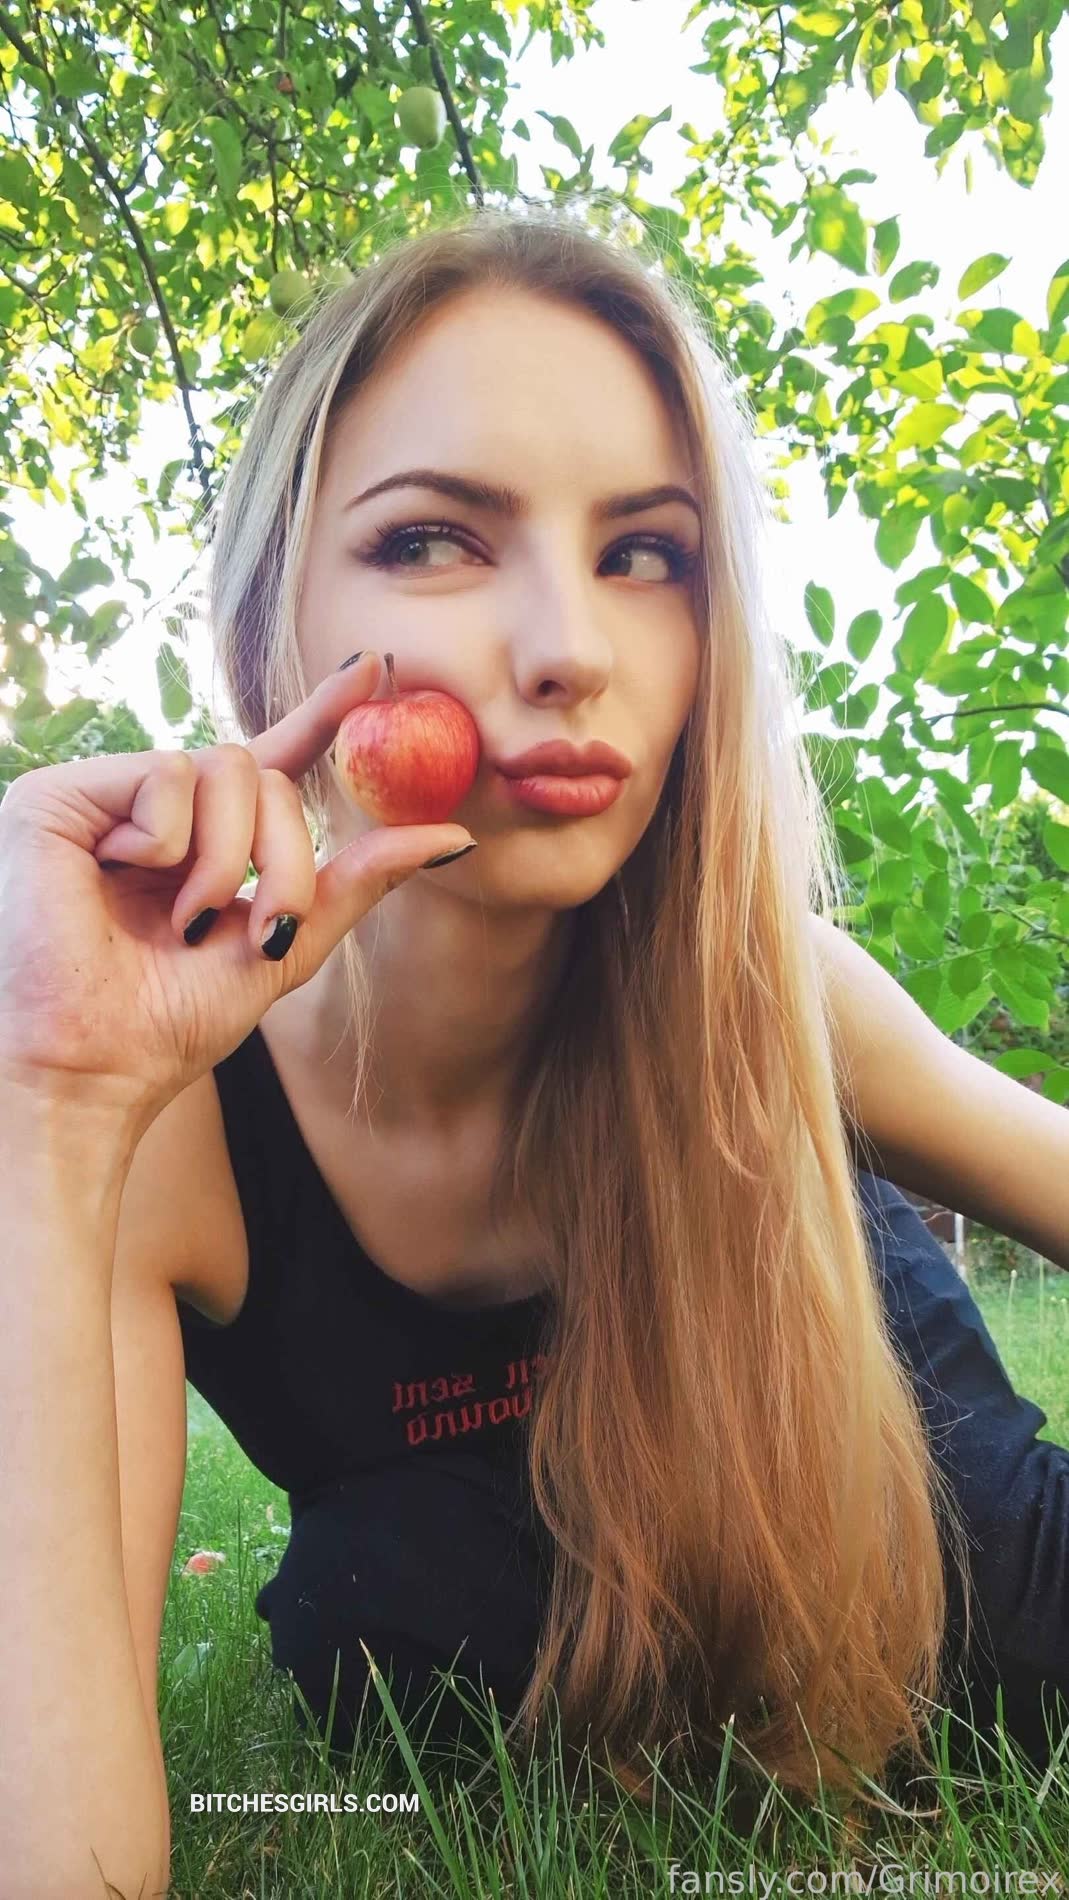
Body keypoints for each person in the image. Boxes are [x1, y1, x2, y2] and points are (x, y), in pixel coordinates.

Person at [2, 204, 1066, 1899]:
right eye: (434, 539)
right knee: (380, 1612)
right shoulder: (171, 1119)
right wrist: (49, 1102)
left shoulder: (770, 991)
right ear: (270, 626)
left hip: (902, 1508)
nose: (569, 646)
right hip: (485, 1626)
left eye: (646, 553)